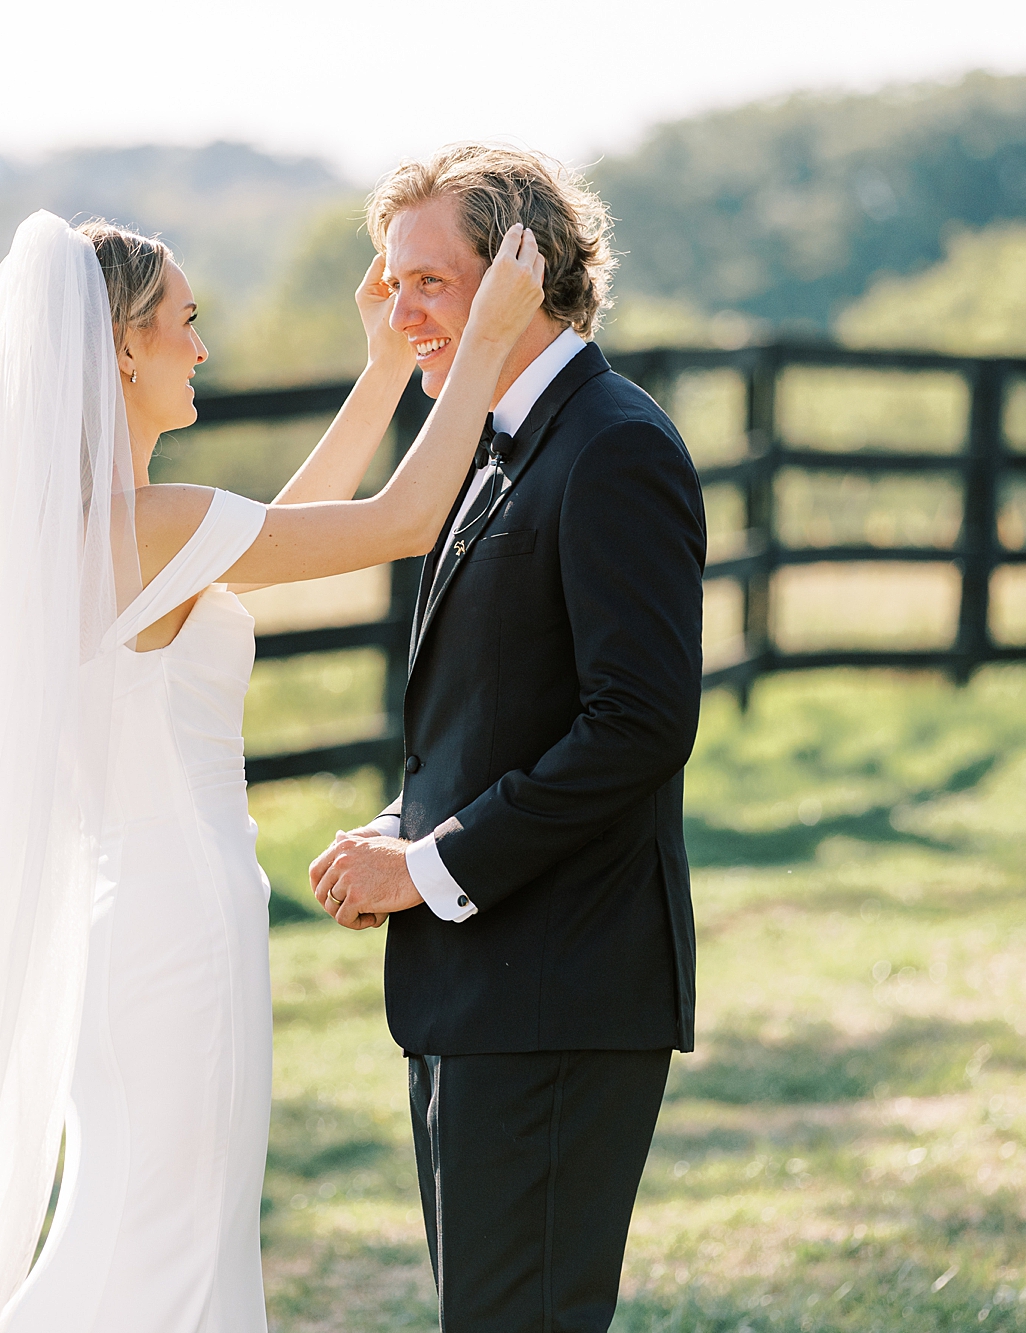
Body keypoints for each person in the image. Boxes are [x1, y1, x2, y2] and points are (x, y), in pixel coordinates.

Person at [0, 209, 545, 1333]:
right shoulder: (151, 526)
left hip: (134, 927)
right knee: (160, 1258)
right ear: (119, 351)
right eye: (183, 324)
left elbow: (293, 529)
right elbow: (397, 522)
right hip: (176, 933)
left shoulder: (104, 533)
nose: (201, 348)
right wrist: (479, 345)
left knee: (161, 1237)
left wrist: (390, 360)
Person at [309, 144, 708, 1331]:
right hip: (481, 996)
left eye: (428, 282)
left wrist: (430, 867)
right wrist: (396, 831)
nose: (401, 311)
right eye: (391, 283)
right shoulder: (487, 445)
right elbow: (504, 707)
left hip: (558, 991)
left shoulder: (611, 446)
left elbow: (637, 723)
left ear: (519, 276)